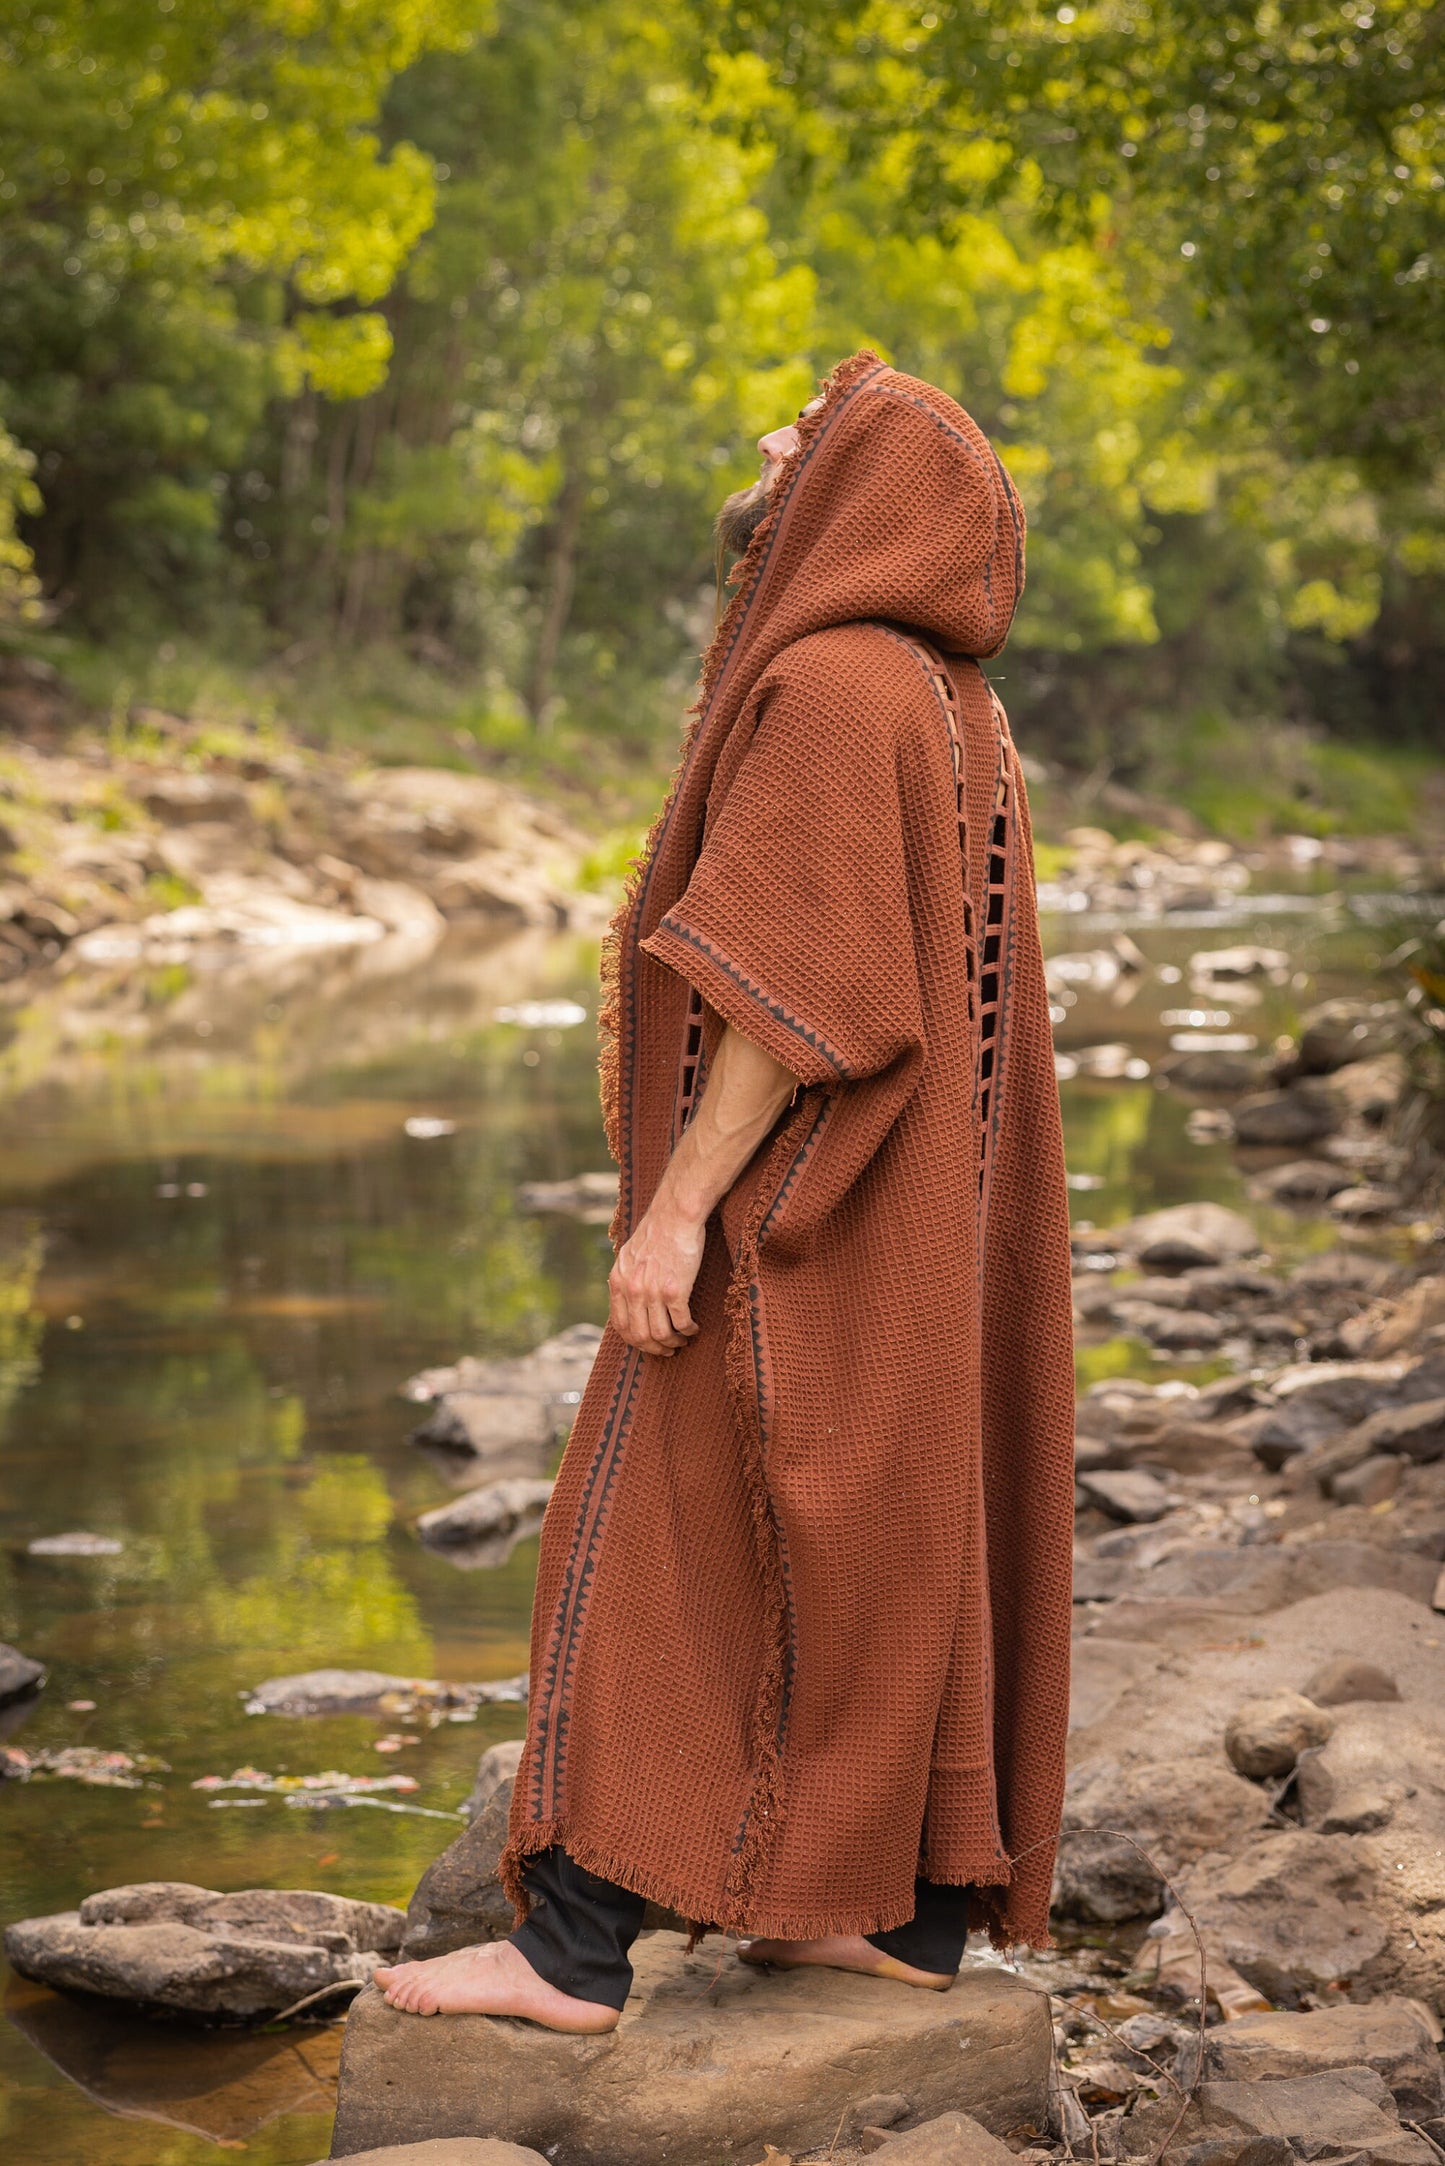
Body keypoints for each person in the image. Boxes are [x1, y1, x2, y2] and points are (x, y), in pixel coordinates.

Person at [375, 349, 1075, 2031]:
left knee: (653, 1534)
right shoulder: (954, 707)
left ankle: (567, 1950)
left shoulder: (831, 686)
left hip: (795, 1215)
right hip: (916, 1222)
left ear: (866, 490)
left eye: (809, 430)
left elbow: (801, 995)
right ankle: (903, 1916)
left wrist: (680, 1208)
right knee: (886, 1539)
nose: (772, 441)